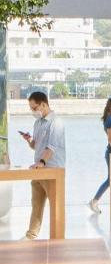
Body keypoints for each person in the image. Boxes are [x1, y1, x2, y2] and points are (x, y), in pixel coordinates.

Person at [20, 91, 66, 240]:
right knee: (36, 204)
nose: (33, 111)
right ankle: (31, 235)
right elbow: (36, 146)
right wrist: (28, 140)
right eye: (31, 108)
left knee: (56, 205)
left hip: (52, 170)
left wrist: (41, 162)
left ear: (43, 104)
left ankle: (58, 237)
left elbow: (51, 148)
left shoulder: (56, 122)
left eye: (34, 108)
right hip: (38, 171)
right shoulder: (37, 122)